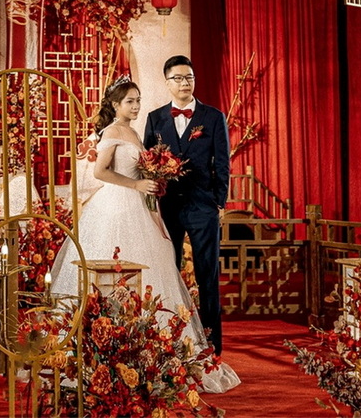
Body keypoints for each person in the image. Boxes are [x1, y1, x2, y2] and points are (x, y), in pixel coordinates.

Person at [49, 75, 239, 393]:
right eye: (130, 101)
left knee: (153, 268)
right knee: (115, 273)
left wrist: (154, 198)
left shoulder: (134, 132)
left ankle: (146, 351)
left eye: (138, 100)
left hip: (139, 206)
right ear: (115, 105)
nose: (136, 106)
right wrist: (136, 184)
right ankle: (102, 350)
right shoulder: (112, 131)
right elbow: (100, 171)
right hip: (115, 208)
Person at [143, 55, 230, 356]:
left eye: (189, 77)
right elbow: (148, 161)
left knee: (208, 276)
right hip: (168, 207)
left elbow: (223, 163)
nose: (185, 83)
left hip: (203, 207)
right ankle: (171, 342)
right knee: (169, 271)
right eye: (178, 78)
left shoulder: (213, 117)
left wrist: (218, 201)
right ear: (167, 82)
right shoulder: (155, 118)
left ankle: (212, 347)